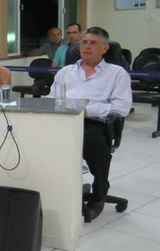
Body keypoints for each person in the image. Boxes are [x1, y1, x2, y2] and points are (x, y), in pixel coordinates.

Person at [50, 27, 132, 221]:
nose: (86, 47)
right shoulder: (65, 72)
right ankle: (54, 189)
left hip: (95, 123)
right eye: (84, 43)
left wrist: (88, 111)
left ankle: (99, 194)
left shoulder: (116, 74)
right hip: (63, 120)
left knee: (92, 142)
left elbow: (122, 107)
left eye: (93, 43)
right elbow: (51, 98)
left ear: (104, 48)